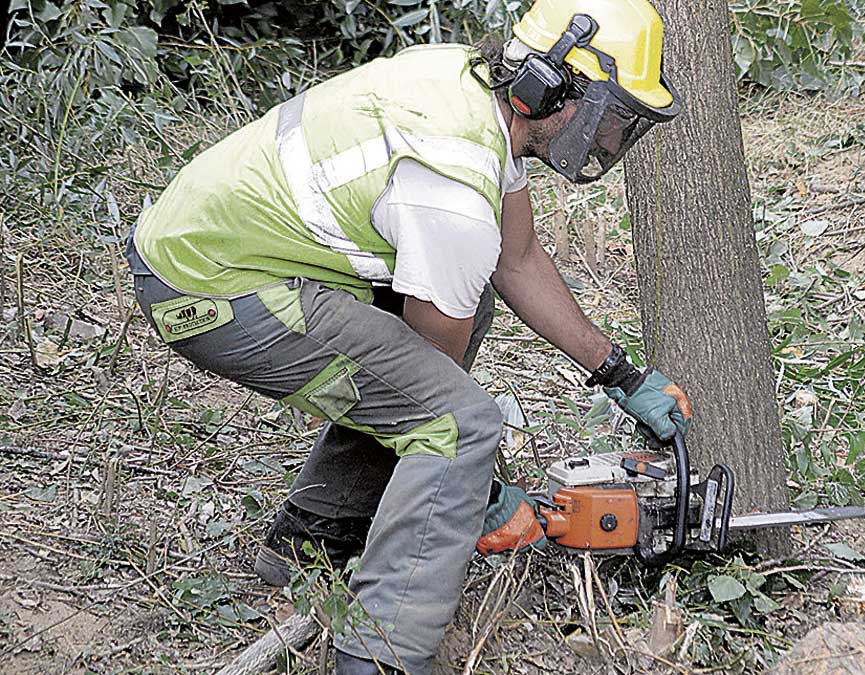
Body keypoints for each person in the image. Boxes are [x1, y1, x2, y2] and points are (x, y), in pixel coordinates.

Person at [125, 0, 691, 672]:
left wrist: (621, 374)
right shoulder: (452, 182)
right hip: (210, 285)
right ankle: (379, 652)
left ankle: (315, 535)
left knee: (466, 304)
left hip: (226, 252)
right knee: (461, 423)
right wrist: (476, 492)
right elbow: (433, 396)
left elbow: (518, 260)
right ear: (551, 85)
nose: (607, 140)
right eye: (609, 115)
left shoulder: (476, 97)